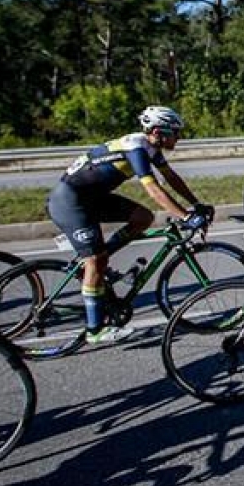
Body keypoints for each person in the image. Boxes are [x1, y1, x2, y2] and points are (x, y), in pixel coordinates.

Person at [47, 106, 212, 344]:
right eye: (175, 132)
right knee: (96, 260)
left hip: (92, 197)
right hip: (70, 202)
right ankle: (95, 331)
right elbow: (154, 189)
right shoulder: (135, 148)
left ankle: (100, 263)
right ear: (157, 131)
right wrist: (185, 217)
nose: (179, 137)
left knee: (143, 218)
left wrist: (196, 204)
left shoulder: (149, 146)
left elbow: (171, 177)